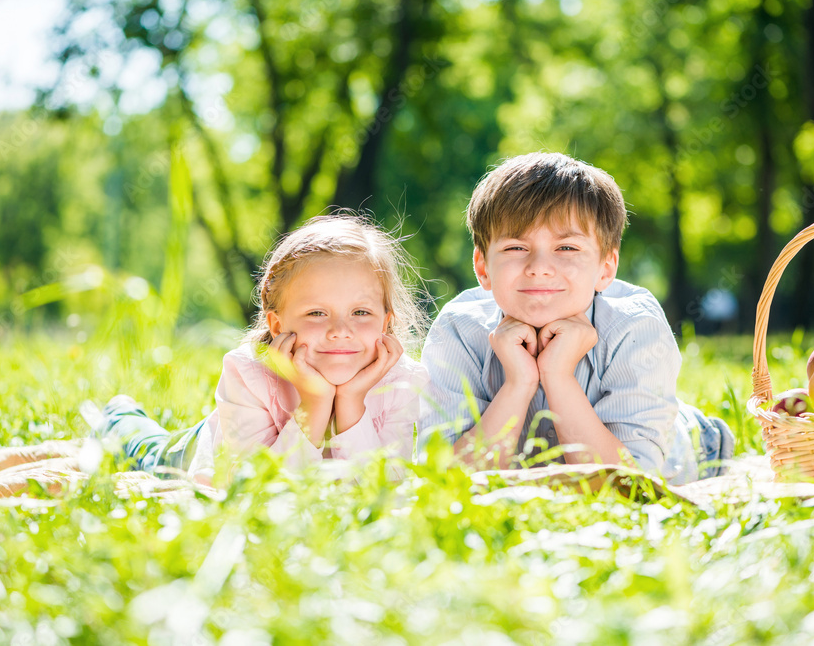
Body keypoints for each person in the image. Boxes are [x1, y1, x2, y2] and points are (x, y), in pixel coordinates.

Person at [417, 152, 733, 484]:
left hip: (671, 451)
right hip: (538, 465)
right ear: (483, 268)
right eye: (515, 248)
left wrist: (558, 376)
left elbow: (626, 487)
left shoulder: (634, 325)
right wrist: (518, 383)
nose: (539, 266)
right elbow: (447, 483)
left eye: (566, 248)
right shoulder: (458, 330)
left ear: (606, 268)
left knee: (689, 439)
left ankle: (705, 433)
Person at [98, 215, 429, 486]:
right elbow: (255, 490)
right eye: (317, 313)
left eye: (361, 313)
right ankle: (119, 416)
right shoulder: (248, 373)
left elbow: (387, 490)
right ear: (276, 324)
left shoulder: (402, 381)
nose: (340, 331)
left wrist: (350, 403)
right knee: (148, 449)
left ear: (386, 322)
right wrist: (314, 403)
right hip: (204, 448)